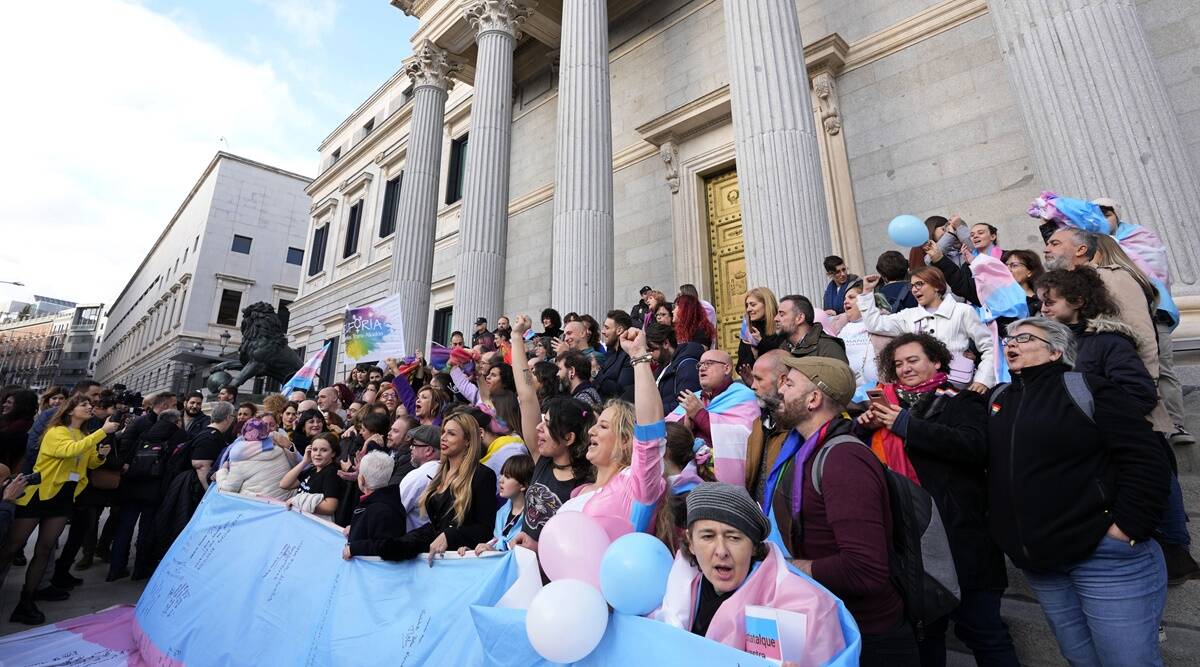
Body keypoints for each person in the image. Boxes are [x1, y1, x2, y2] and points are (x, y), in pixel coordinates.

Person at [989, 317, 1170, 666]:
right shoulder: (1000, 398)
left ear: (1056, 350)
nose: (1010, 343)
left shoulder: (1088, 388)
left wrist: (1127, 528)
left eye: (1024, 337)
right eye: (1008, 338)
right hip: (1042, 565)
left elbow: (1146, 458)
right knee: (1080, 659)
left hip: (1104, 560)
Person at [857, 334, 1018, 666]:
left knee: (985, 632)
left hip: (961, 537)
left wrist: (905, 425)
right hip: (913, 542)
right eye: (898, 363)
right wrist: (863, 429)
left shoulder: (961, 401)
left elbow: (972, 446)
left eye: (913, 360)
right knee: (926, 636)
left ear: (937, 362)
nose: (905, 368)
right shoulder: (886, 405)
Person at [1038, 268, 1200, 583]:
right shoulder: (1055, 346)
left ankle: (1174, 552)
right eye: (1042, 302)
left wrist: (1099, 425)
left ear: (1078, 301)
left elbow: (1139, 393)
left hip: (1125, 439)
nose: (1043, 308)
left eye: (1050, 302)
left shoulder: (1107, 341)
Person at [765, 356, 918, 665]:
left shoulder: (844, 460)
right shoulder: (804, 449)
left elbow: (866, 569)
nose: (780, 392)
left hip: (869, 638)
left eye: (790, 384)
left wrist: (784, 568)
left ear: (813, 399)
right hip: (833, 623)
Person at [654, 482, 853, 665]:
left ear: (754, 547)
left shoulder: (808, 609)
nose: (721, 550)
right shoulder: (679, 586)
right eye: (708, 536)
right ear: (691, 542)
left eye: (734, 537)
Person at [0, 395, 117, 624]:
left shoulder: (83, 435)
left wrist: (100, 455)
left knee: (45, 549)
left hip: (63, 498)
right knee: (11, 547)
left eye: (89, 405)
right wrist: (102, 431)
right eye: (84, 405)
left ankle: (27, 600)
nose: (89, 407)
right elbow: (69, 451)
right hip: (38, 495)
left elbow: (89, 461)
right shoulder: (56, 431)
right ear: (70, 410)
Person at [559, 326, 669, 541]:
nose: (591, 430)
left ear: (626, 440)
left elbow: (651, 433)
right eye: (596, 424)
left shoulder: (636, 485)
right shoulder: (578, 491)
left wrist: (639, 357)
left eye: (603, 426)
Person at [349, 413, 497, 564]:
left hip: (461, 562)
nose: (443, 437)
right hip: (433, 554)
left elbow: (485, 529)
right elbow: (434, 527)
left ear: (467, 440)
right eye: (443, 432)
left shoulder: (483, 476)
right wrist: (362, 544)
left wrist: (450, 535)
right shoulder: (439, 474)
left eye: (451, 433)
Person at [509, 316, 593, 548]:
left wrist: (538, 547)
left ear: (569, 437)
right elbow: (527, 395)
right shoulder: (542, 458)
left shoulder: (586, 484)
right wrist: (516, 338)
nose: (538, 427)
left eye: (547, 424)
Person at [859, 267, 995, 391]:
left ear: (937, 286)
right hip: (921, 391)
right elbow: (874, 324)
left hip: (957, 387)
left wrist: (982, 380)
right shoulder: (909, 315)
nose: (914, 289)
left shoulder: (962, 311)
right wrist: (867, 292)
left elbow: (989, 347)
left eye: (919, 284)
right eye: (912, 286)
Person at [108, 408, 189, 582]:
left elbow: (128, 457)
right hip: (155, 489)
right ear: (176, 421)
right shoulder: (179, 436)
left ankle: (115, 569)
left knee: (124, 528)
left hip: (133, 485)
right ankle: (140, 569)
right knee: (146, 530)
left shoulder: (146, 432)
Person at [668, 349, 759, 488]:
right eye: (700, 365)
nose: (702, 368)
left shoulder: (743, 396)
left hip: (720, 483)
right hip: (688, 482)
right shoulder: (694, 397)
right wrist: (686, 427)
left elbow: (743, 438)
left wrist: (699, 414)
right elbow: (667, 431)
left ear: (726, 368)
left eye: (708, 363)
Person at [826, 281, 890, 403]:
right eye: (844, 298)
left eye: (851, 297)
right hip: (848, 395)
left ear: (865, 300)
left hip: (878, 393)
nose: (845, 301)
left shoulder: (883, 324)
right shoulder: (840, 328)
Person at [463, 453, 533, 556]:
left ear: (523, 485)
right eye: (502, 475)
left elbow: (523, 556)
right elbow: (495, 543)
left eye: (508, 477)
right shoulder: (501, 512)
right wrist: (472, 552)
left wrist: (494, 552)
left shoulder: (533, 518)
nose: (501, 480)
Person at [214, 419, 297, 502]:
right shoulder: (279, 450)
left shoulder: (240, 459)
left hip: (258, 506)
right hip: (286, 503)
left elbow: (227, 489)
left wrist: (222, 471)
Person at [343, 451, 406, 558]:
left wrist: (355, 548)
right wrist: (355, 528)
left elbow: (386, 545)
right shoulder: (381, 502)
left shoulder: (382, 509)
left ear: (362, 480)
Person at [763, 294, 848, 363]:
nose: (775, 319)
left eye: (782, 314)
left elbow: (841, 382)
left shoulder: (829, 348)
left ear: (800, 318)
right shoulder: (783, 348)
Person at [280, 432, 345, 518]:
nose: (318, 454)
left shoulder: (331, 473)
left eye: (324, 450)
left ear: (333, 453)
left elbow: (330, 507)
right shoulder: (312, 470)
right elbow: (284, 484)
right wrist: (304, 461)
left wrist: (297, 502)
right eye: (314, 449)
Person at [645, 322, 702, 414]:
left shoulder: (687, 365)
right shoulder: (662, 367)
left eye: (652, 350)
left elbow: (686, 405)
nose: (649, 355)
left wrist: (652, 411)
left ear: (666, 343)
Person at [189, 401, 235, 490]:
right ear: (228, 417)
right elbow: (201, 466)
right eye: (233, 417)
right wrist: (209, 492)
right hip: (198, 490)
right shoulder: (209, 437)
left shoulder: (211, 434)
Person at [736, 286, 779, 381]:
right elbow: (741, 365)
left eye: (753, 305)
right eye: (747, 305)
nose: (748, 309)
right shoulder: (748, 331)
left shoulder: (781, 326)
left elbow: (782, 355)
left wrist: (761, 343)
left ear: (767, 305)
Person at [596, 310, 635, 401]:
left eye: (607, 328)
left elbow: (621, 391)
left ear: (619, 330)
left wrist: (596, 373)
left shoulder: (629, 356)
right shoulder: (610, 353)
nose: (603, 331)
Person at [1001, 249, 1044, 316]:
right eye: (1005, 266)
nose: (1007, 269)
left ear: (1030, 272)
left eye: (1014, 265)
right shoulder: (997, 297)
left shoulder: (1039, 303)